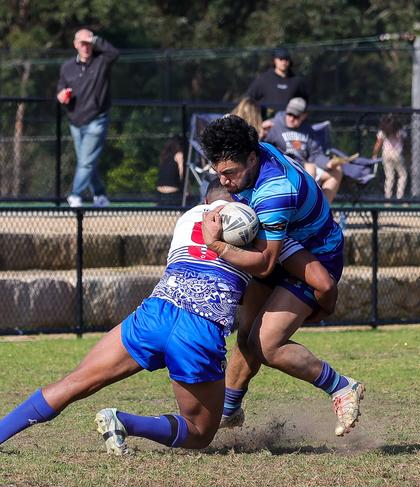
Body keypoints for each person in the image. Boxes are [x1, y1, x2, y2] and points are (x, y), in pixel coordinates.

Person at [0, 180, 338, 454]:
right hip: (199, 329)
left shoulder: (188, 216)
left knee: (74, 383)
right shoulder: (258, 227)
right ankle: (125, 421)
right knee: (200, 433)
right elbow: (303, 274)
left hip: (156, 312)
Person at [200, 115, 365, 437]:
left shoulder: (275, 191)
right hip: (282, 248)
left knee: (266, 344)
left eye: (230, 173)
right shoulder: (255, 152)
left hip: (313, 256)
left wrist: (217, 244)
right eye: (219, 174)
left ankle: (343, 386)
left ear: (251, 158)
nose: (226, 182)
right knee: (246, 333)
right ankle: (229, 411)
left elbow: (263, 263)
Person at [57, 29, 119, 208]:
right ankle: (100, 195)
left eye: (89, 43)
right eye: (82, 43)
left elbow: (114, 53)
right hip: (75, 122)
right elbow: (61, 88)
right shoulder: (67, 67)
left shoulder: (102, 61)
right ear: (76, 44)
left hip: (97, 120)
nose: (86, 47)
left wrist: (96, 39)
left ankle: (75, 195)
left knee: (85, 161)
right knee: (87, 161)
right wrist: (62, 95)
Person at [264, 97, 349, 203]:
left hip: (304, 168)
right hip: (284, 166)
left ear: (304, 116)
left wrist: (328, 163)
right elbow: (262, 146)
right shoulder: (274, 125)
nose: (291, 118)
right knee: (310, 168)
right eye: (289, 114)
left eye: (296, 116)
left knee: (337, 171)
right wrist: (261, 132)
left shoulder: (308, 131)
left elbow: (316, 155)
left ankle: (323, 210)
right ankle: (307, 208)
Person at [245, 47, 309, 118]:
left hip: (289, 125)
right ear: (275, 60)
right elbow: (248, 99)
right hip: (267, 123)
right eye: (281, 59)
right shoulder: (263, 79)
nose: (284, 62)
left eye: (286, 59)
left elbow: (304, 102)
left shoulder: (296, 81)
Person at [372, 114, 408, 200]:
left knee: (389, 176)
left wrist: (374, 154)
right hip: (397, 154)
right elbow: (406, 143)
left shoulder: (383, 132)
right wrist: (407, 154)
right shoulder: (400, 131)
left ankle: (388, 196)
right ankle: (400, 196)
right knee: (403, 175)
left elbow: (378, 144)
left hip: (386, 154)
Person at [156, 136, 184, 206]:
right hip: (173, 194)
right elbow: (182, 174)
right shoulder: (179, 155)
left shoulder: (164, 156)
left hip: (159, 193)